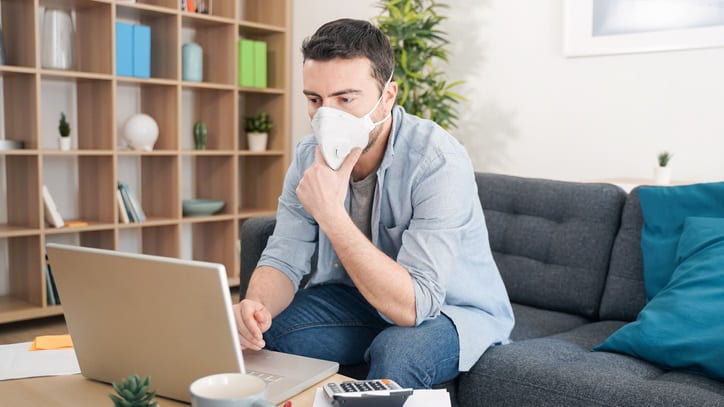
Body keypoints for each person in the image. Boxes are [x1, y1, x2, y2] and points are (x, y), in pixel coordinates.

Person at [232, 18, 514, 389]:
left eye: (345, 99)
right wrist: (254, 310)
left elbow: (414, 306)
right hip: (356, 302)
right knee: (262, 339)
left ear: (388, 98)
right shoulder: (307, 157)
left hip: (447, 311)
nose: (326, 115)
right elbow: (283, 256)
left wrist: (331, 213)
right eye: (315, 100)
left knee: (398, 352)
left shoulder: (437, 160)